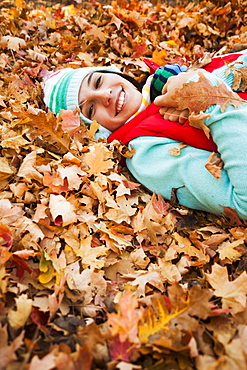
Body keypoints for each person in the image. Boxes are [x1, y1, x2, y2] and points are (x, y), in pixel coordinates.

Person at [43, 50, 247, 219]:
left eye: (97, 82)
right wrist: (208, 97)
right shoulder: (143, 153)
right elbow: (242, 202)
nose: (104, 95)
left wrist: (226, 77)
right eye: (90, 109)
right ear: (97, 131)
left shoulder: (170, 79)